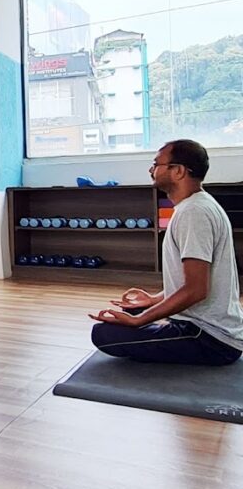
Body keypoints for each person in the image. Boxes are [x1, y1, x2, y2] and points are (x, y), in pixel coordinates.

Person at [89, 140, 243, 366]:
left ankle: (160, 328)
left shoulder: (193, 212)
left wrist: (140, 320)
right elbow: (192, 281)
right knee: (133, 312)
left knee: (103, 334)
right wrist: (153, 300)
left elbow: (196, 289)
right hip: (206, 329)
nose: (151, 170)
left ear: (178, 171)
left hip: (211, 340)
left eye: (156, 164)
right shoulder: (195, 206)